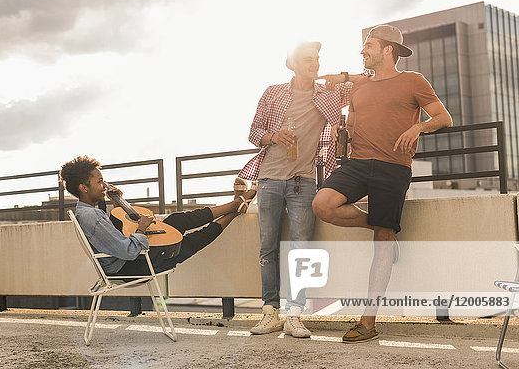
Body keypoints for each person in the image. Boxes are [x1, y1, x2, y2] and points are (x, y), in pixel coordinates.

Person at [312, 25, 453, 343]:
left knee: (382, 243)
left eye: (368, 46)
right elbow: (351, 113)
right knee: (322, 204)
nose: (363, 50)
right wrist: (343, 131)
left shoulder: (413, 81)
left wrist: (418, 127)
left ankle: (368, 321)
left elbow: (444, 118)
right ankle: (380, 225)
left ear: (388, 50)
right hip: (357, 164)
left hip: (393, 168)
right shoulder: (359, 86)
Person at [238, 41, 353, 338]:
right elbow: (253, 133)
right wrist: (274, 136)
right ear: (292, 63)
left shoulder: (329, 93)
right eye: (307, 59)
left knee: (302, 250)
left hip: (305, 181)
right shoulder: (273, 92)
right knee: (268, 247)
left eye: (316, 59)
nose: (314, 64)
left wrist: (340, 76)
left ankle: (295, 314)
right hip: (269, 179)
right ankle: (269, 312)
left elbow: (364, 82)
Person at [60, 156, 257, 277]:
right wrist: (142, 228)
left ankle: (235, 205)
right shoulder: (92, 218)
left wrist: (115, 201)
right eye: (100, 182)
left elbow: (112, 233)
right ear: (83, 188)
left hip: (127, 262)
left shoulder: (88, 210)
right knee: (190, 242)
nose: (105, 185)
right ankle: (235, 207)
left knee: (176, 221)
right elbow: (127, 251)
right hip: (130, 268)